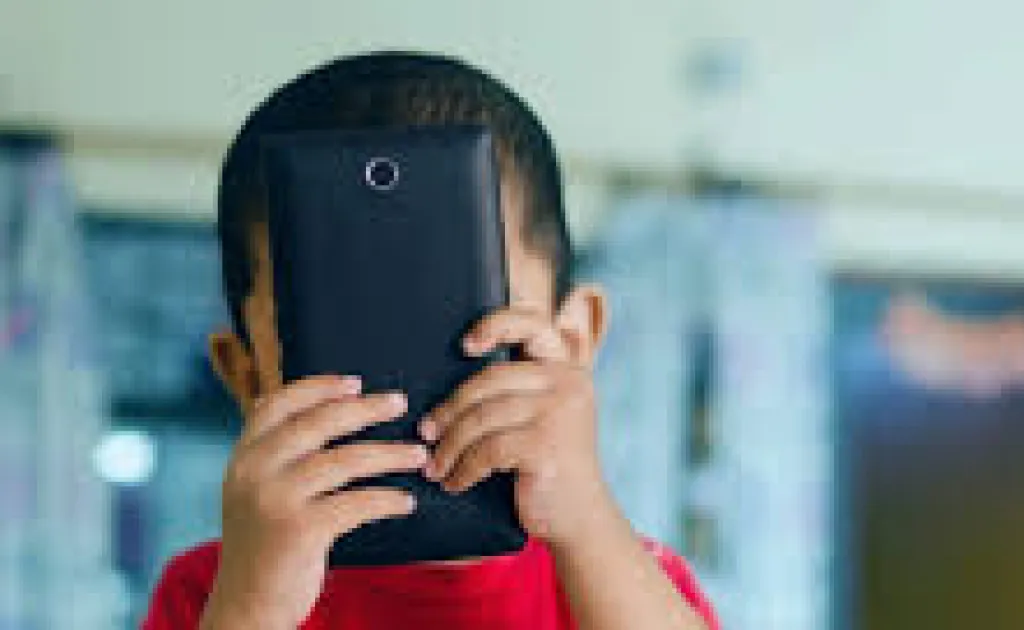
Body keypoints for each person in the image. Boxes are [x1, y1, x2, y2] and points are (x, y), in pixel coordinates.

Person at [140, 51, 719, 630]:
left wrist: (587, 519)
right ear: (247, 377)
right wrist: (252, 609)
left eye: (461, 314)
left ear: (569, 342)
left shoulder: (628, 582)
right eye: (348, 326)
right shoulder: (214, 593)